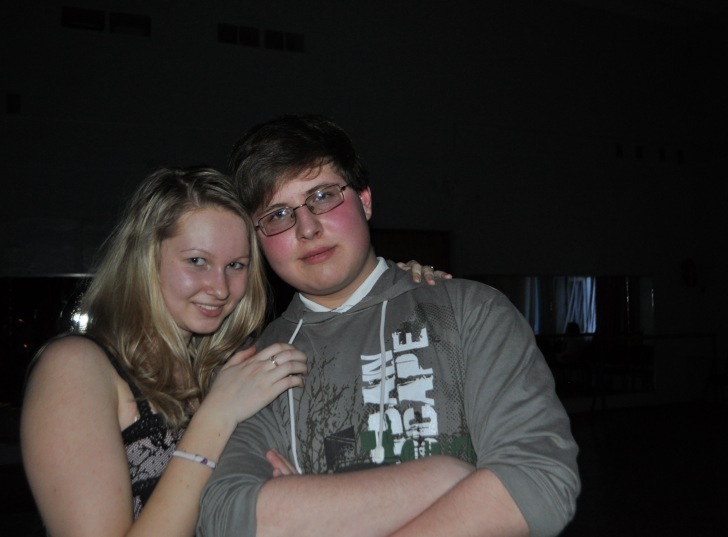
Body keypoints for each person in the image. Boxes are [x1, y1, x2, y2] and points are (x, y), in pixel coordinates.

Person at [197, 115, 581, 537]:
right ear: (259, 238)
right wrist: (447, 482)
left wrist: (311, 510)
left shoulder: (472, 311)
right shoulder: (256, 365)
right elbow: (225, 515)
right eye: (278, 215)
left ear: (364, 201)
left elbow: (537, 483)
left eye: (323, 196)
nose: (307, 228)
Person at [19, 165, 445, 537]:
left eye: (236, 265)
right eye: (197, 261)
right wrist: (216, 418)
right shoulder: (75, 368)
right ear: (145, 258)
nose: (220, 288)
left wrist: (394, 282)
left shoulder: (233, 365)